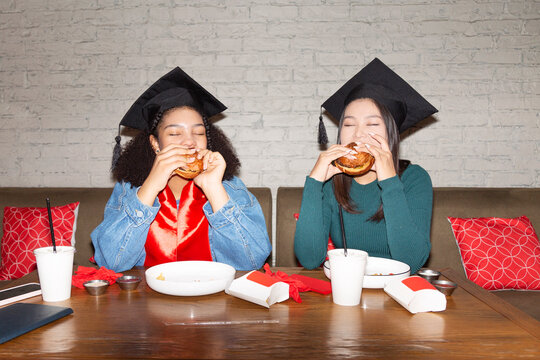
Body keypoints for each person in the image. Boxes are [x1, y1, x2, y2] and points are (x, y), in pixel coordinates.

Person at [92, 67, 271, 272]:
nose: (189, 142)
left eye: (199, 132)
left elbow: (252, 261)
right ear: (155, 143)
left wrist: (213, 189)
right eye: (175, 133)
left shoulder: (229, 188)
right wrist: (150, 187)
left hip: (214, 297)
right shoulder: (130, 190)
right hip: (146, 300)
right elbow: (111, 263)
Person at [294, 58, 438, 274]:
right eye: (349, 124)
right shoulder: (332, 181)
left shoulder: (414, 178)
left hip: (397, 293)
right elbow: (309, 258)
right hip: (345, 287)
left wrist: (389, 181)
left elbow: (412, 261)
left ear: (391, 133)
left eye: (372, 124)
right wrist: (314, 182)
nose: (358, 134)